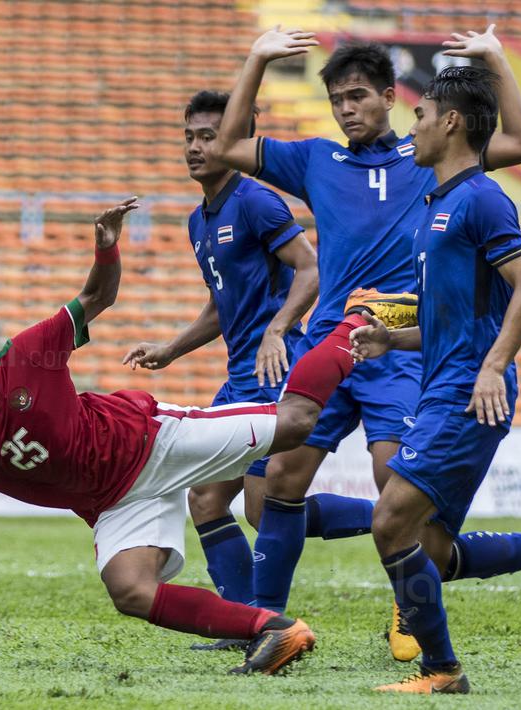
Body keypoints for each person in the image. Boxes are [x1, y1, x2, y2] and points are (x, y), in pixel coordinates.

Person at [0, 196, 420, 675]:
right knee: (132, 592)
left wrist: (106, 245)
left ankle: (354, 318)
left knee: (297, 424)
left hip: (154, 440)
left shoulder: (30, 352)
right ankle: (274, 629)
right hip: (115, 502)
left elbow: (99, 295)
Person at [207, 25, 521, 657]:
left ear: (390, 96)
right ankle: (265, 625)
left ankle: (407, 608)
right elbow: (227, 145)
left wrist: (496, 59)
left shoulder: (430, 155)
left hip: (399, 344)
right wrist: (254, 57)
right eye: (336, 100)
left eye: (358, 96)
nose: (345, 109)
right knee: (278, 480)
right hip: (336, 342)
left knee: (397, 489)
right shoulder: (315, 160)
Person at [348, 66, 521, 694]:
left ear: (452, 121)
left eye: (419, 114)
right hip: (446, 381)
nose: (411, 127)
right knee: (432, 554)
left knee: (390, 522)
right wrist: (390, 336)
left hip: (467, 390)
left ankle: (442, 671)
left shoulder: (483, 197)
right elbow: (448, 318)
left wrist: (492, 367)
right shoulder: (437, 205)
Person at [121, 90, 317, 642]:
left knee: (263, 507)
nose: (194, 147)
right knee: (206, 498)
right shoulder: (198, 220)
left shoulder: (257, 201)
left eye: (207, 136)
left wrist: (278, 330)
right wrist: (171, 349)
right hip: (238, 378)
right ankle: (248, 621)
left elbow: (309, 269)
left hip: (275, 372)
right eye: (189, 136)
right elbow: (220, 303)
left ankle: (394, 521)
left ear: (236, 140)